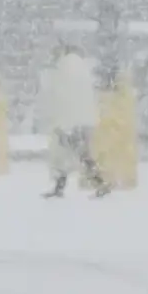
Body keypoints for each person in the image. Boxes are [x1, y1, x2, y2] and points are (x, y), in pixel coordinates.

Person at [39, 44, 111, 198]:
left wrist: (58, 121)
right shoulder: (82, 68)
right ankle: (61, 187)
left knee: (67, 155)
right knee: (77, 154)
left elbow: (59, 95)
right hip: (84, 120)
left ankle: (99, 184)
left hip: (69, 121)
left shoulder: (65, 67)